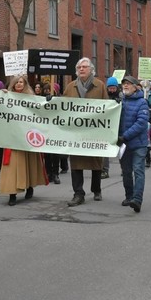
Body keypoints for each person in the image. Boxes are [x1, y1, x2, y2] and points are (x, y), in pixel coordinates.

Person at [0, 75, 49, 205]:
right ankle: (12, 194)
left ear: (25, 84)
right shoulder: (8, 96)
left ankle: (30, 187)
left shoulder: (32, 98)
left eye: (21, 82)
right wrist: (3, 96)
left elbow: (41, 113)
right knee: (13, 165)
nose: (19, 84)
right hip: (13, 137)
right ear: (13, 85)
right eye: (17, 82)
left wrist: (48, 100)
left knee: (29, 163)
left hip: (27, 136)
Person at [63, 57, 107, 206]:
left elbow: (107, 108)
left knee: (95, 161)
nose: (81, 69)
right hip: (76, 132)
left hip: (94, 131)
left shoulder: (100, 86)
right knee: (76, 163)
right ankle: (78, 194)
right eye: (79, 67)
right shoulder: (70, 87)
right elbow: (62, 106)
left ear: (91, 70)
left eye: (84, 67)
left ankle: (96, 189)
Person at [117, 76, 150, 212]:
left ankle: (137, 199)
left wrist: (125, 136)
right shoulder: (120, 102)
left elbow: (141, 123)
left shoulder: (142, 103)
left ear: (136, 87)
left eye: (129, 84)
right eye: (124, 84)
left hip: (138, 144)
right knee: (126, 171)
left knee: (138, 171)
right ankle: (129, 196)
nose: (125, 86)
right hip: (124, 145)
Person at [103, 76, 122, 179]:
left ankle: (124, 168)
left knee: (120, 148)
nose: (112, 90)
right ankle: (105, 170)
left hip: (118, 125)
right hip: (107, 126)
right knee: (105, 147)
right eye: (110, 88)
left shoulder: (121, 96)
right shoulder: (104, 96)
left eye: (113, 88)